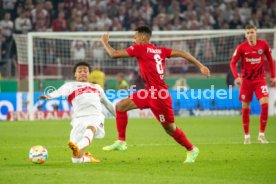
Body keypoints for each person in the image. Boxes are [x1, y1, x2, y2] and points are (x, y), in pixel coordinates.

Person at [101, 26, 210, 163]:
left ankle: (191, 149)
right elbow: (183, 53)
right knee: (121, 106)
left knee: (170, 129)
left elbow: (114, 54)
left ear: (142, 37)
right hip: (150, 92)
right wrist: (201, 66)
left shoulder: (140, 48)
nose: (134, 41)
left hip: (159, 96)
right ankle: (121, 141)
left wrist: (105, 42)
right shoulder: (161, 50)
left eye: (135, 37)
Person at [37, 62, 115, 163]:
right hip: (79, 118)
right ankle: (87, 158)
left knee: (90, 128)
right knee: (76, 160)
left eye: (85, 71)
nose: (83, 73)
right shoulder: (70, 86)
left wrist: (119, 116)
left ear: (89, 74)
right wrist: (49, 96)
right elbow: (58, 92)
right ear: (75, 74)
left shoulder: (96, 87)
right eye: (80, 71)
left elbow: (107, 103)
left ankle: (78, 146)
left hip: (95, 115)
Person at [230, 25, 276, 144]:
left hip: (260, 80)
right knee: (245, 108)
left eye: (252, 32)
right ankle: (247, 136)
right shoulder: (241, 48)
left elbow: (270, 60)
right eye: (248, 33)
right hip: (246, 82)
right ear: (245, 35)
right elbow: (232, 63)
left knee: (265, 105)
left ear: (256, 33)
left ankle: (261, 134)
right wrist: (237, 77)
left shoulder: (263, 45)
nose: (250, 34)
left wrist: (273, 76)